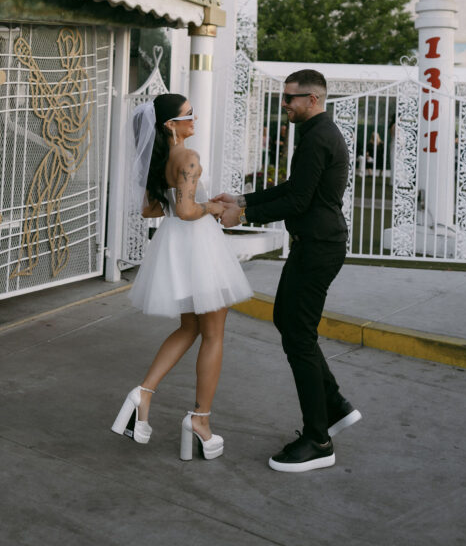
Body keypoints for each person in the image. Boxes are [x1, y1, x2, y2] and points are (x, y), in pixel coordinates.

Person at [216, 69, 360, 473]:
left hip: (318, 247)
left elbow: (297, 201)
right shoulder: (316, 134)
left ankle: (318, 439)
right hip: (315, 245)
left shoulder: (318, 138)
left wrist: (242, 215)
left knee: (297, 336)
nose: (285, 105)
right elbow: (292, 188)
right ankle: (333, 405)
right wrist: (243, 198)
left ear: (312, 99)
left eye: (290, 99)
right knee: (289, 322)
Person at [112, 93, 252, 462]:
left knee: (189, 328)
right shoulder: (188, 158)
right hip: (200, 247)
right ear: (170, 125)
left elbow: (149, 209)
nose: (196, 120)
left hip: (177, 247)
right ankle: (200, 421)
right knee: (213, 334)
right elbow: (189, 209)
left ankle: (143, 394)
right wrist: (216, 207)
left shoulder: (158, 161)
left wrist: (187, 203)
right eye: (189, 115)